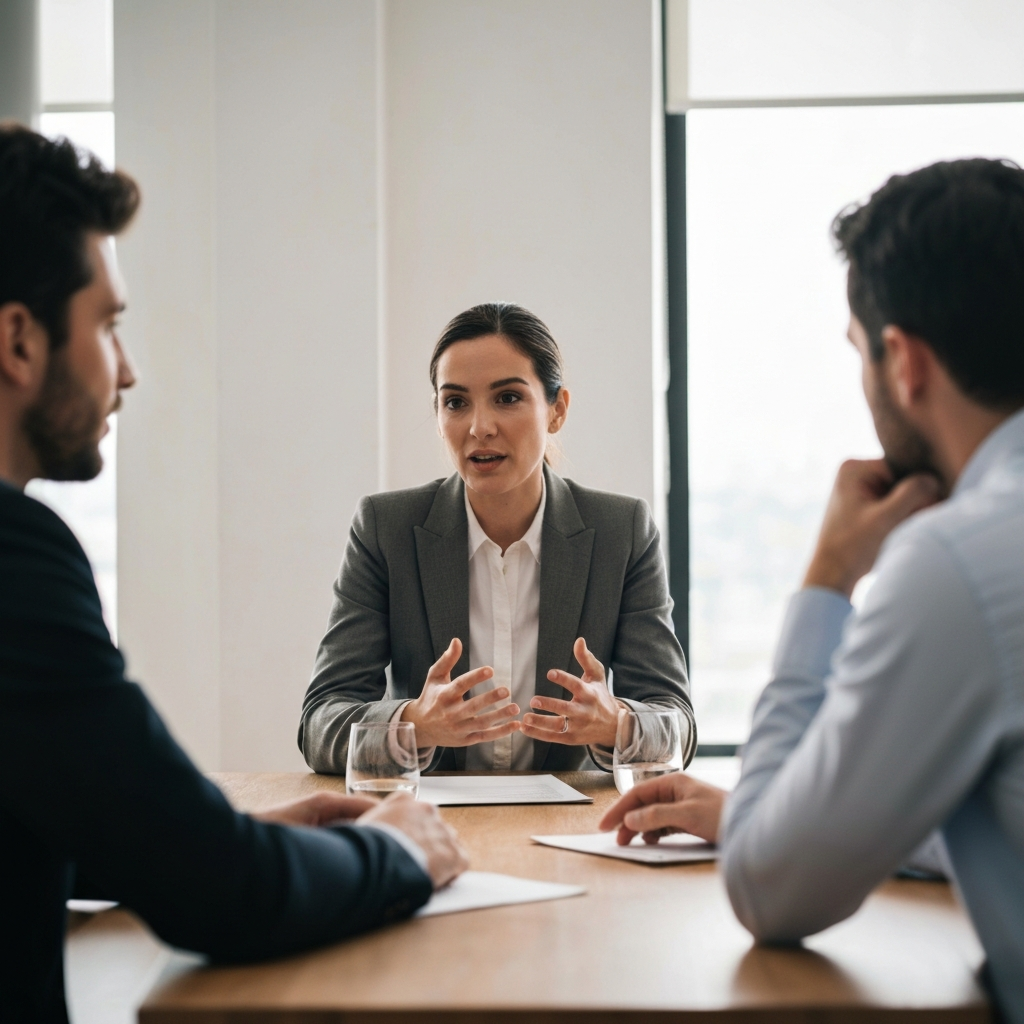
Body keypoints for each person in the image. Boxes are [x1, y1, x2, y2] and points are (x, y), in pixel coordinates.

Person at [0, 123, 468, 1024]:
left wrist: (225, 831)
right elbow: (220, 893)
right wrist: (401, 851)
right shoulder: (16, 561)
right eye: (109, 324)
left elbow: (61, 798)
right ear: (19, 340)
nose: (127, 370)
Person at [600, 157, 1024, 1021]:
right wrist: (802, 813)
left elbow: (768, 891)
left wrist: (828, 577)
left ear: (902, 361)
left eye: (859, 353)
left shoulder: (957, 560)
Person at [299, 303, 696, 774]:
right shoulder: (386, 529)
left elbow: (678, 725)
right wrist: (411, 724)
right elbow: (320, 722)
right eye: (456, 402)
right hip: (430, 827)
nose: (479, 427)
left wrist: (618, 724)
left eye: (507, 398)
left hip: (567, 828)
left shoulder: (621, 531)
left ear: (556, 410)